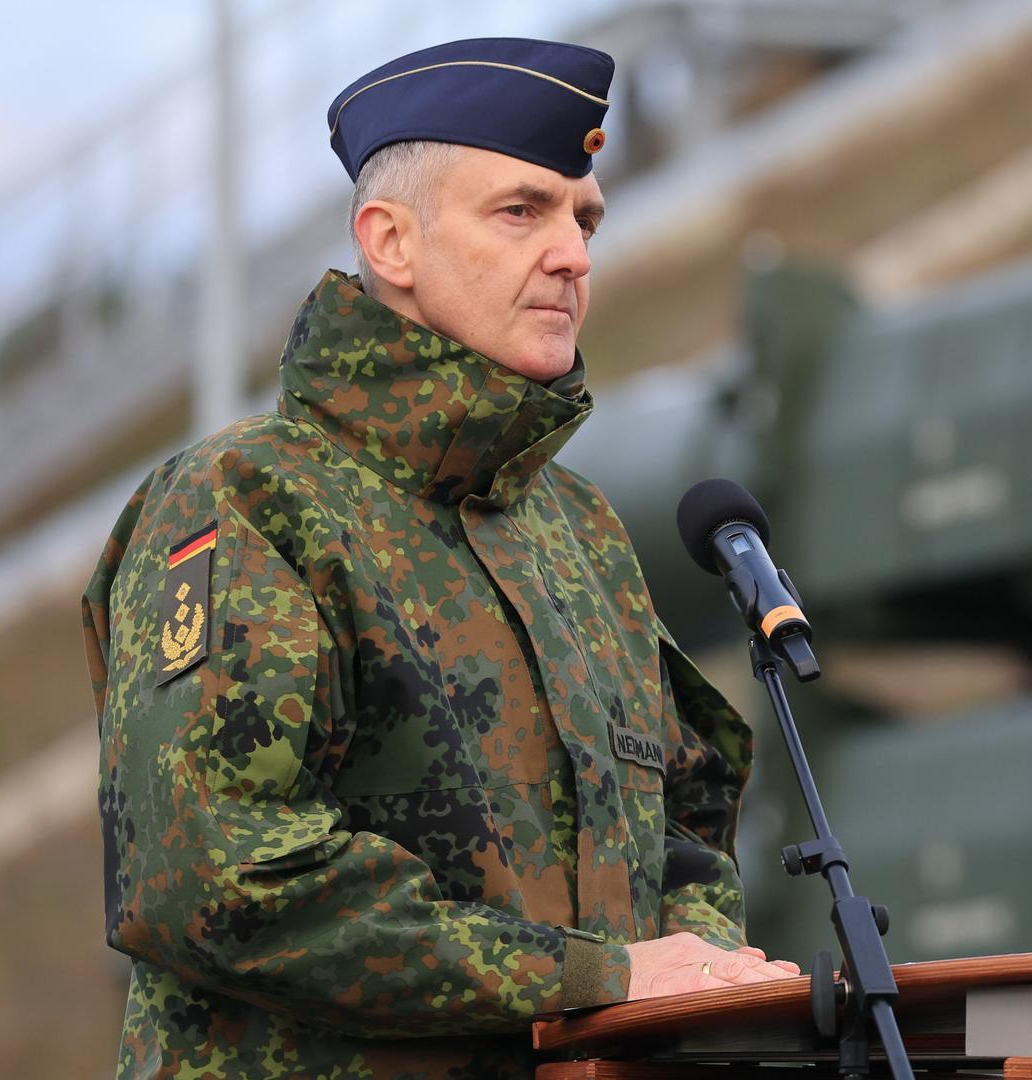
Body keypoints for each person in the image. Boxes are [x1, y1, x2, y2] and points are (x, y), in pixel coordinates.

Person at [82, 38, 797, 1079]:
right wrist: (597, 981)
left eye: (585, 217)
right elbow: (213, 873)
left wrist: (703, 961)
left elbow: (681, 825)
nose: (574, 255)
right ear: (392, 244)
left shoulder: (578, 533)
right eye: (522, 211)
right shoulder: (247, 501)